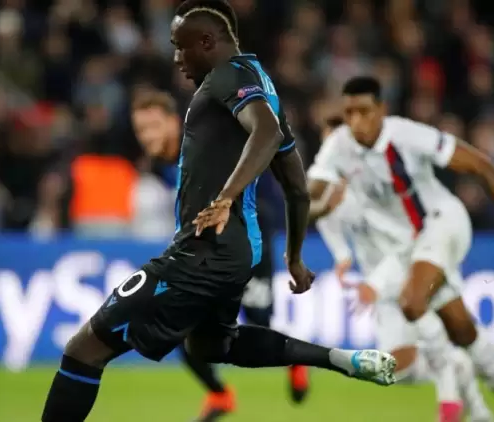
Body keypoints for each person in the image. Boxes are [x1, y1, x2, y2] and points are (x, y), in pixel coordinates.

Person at [39, 3, 396, 422]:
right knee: (209, 345)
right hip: (234, 254)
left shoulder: (229, 76)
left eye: (180, 46)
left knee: (83, 349)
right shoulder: (263, 85)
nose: (176, 58)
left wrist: (227, 196)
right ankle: (338, 359)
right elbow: (296, 188)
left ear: (207, 42)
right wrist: (296, 256)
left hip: (203, 252)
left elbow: (266, 133)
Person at [307, 76, 494, 422]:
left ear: (382, 110)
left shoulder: (407, 135)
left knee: (412, 301)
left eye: (364, 112)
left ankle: (449, 402)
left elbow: (481, 165)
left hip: (442, 222)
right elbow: (306, 201)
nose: (356, 121)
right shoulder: (340, 148)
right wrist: (318, 212)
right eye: (349, 114)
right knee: (459, 327)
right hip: (412, 247)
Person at [130, 90, 309, 421]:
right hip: (206, 247)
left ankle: (294, 358)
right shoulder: (158, 166)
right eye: (141, 130)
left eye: (154, 126)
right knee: (177, 326)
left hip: (248, 237)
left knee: (258, 318)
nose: (147, 136)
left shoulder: (202, 144)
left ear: (174, 122)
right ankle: (221, 395)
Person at [314, 116, 494, 422]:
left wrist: (378, 280)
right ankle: (462, 375)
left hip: (410, 272)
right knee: (396, 367)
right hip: (381, 285)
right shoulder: (333, 192)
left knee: (430, 339)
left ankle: (461, 405)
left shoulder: (379, 184)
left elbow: (410, 235)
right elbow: (325, 219)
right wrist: (342, 255)